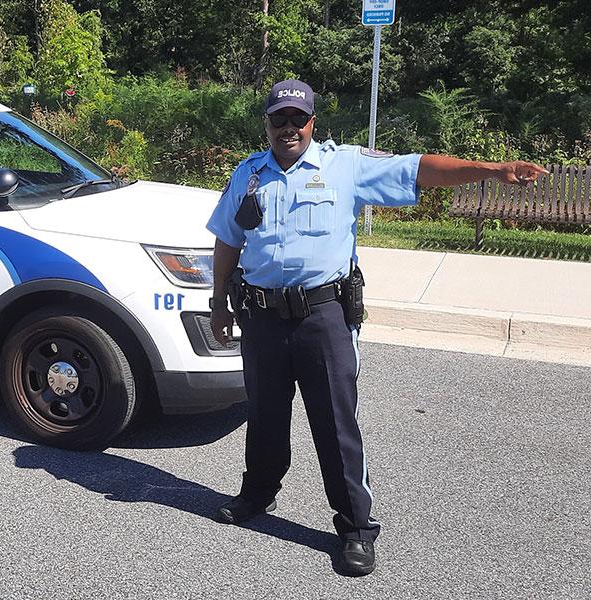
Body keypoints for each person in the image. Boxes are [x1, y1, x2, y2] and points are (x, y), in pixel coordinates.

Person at [205, 79, 546, 576]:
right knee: (264, 414)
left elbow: (417, 167)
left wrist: (491, 170)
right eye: (278, 119)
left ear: (312, 122)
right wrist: (219, 303)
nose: (288, 128)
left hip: (323, 317)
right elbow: (227, 241)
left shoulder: (345, 166)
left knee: (336, 425)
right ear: (267, 123)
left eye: (297, 119)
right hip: (260, 316)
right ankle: (258, 492)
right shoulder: (248, 174)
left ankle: (356, 529)